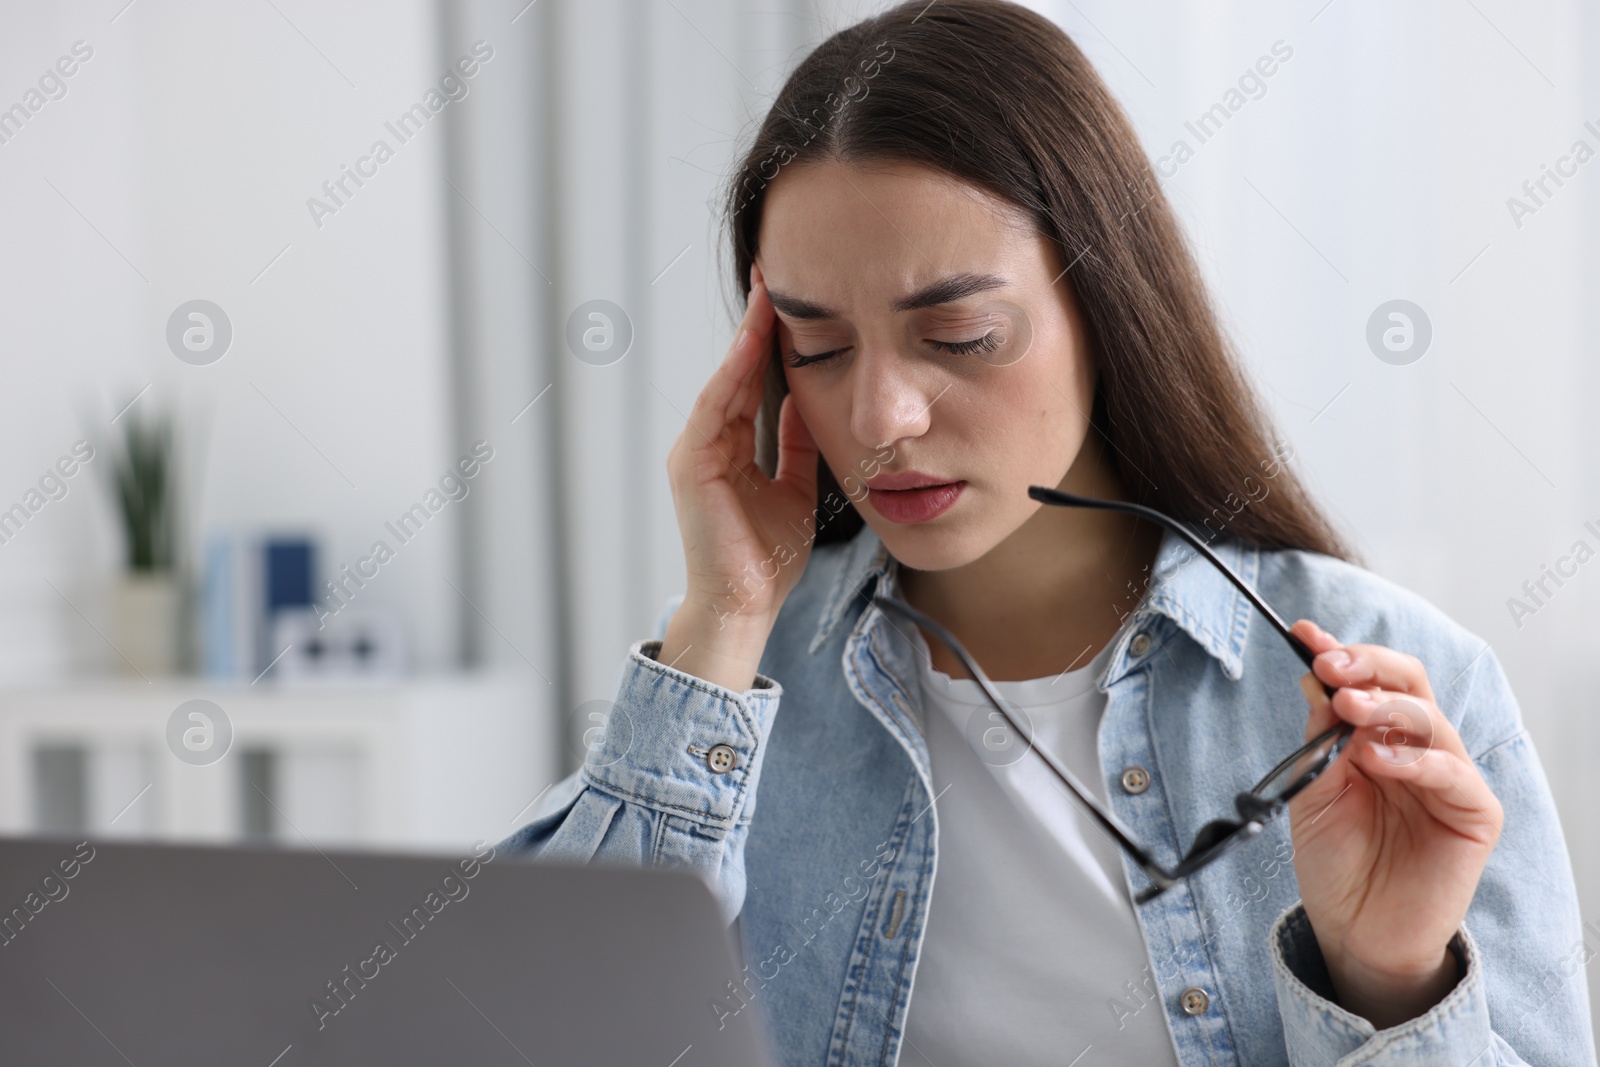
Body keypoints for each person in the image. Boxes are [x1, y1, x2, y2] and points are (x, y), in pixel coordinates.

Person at [501, 1, 1595, 1062]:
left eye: (962, 334)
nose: (880, 419)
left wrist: (1388, 978)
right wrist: (722, 620)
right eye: (817, 347)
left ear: (1107, 304)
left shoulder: (1396, 690)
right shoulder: (728, 686)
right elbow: (530, 1029)